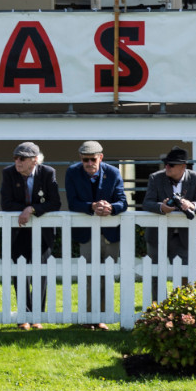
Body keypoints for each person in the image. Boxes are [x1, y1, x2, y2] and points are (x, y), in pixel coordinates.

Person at [0, 142, 61, 329]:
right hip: (18, 231)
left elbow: (55, 202)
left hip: (43, 233)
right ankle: (24, 315)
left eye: (22, 158)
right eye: (16, 158)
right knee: (20, 273)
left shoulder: (47, 173)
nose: (18, 161)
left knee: (40, 273)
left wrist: (32, 209)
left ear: (34, 161)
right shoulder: (8, 173)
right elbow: (6, 203)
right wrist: (24, 211)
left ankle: (36, 316)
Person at [64, 141, 126, 329]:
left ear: (101, 157)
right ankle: (89, 317)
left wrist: (111, 208)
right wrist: (91, 206)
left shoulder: (113, 172)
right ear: (80, 159)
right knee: (89, 275)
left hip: (110, 232)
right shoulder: (72, 172)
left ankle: (103, 316)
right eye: (85, 160)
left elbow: (123, 201)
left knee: (108, 275)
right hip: (87, 232)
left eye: (93, 159)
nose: (89, 163)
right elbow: (72, 202)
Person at [143, 146, 196, 265]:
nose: (166, 167)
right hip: (157, 235)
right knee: (154, 274)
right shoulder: (155, 177)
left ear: (183, 166)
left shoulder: (195, 177)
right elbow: (147, 203)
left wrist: (191, 205)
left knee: (184, 275)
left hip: (185, 235)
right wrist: (161, 207)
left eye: (171, 165)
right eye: (166, 164)